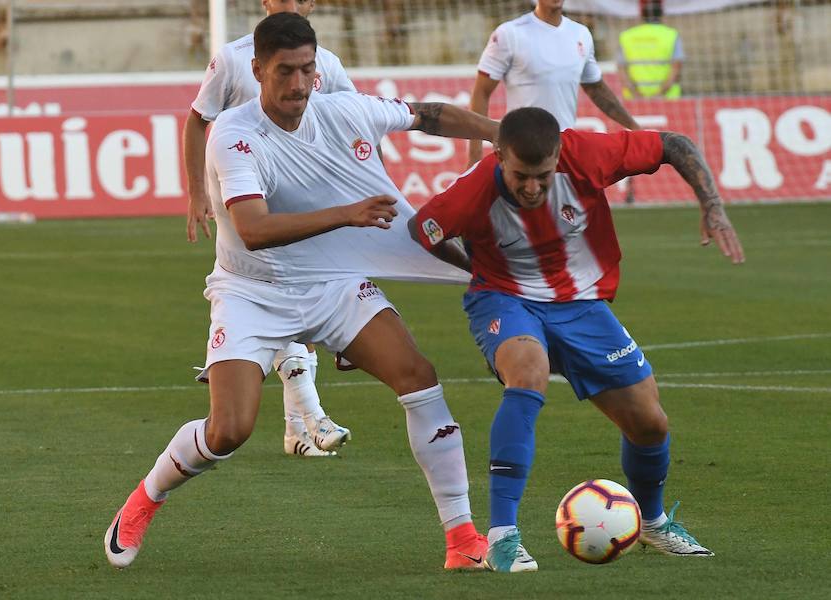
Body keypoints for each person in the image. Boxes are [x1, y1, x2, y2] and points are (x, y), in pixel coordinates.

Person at [105, 12, 501, 571]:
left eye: (307, 70)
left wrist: (499, 133)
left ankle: (462, 541)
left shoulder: (341, 109)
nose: (298, 84)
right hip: (252, 291)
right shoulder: (235, 134)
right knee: (229, 430)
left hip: (333, 283)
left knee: (418, 376)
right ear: (258, 68)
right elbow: (254, 231)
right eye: (285, 71)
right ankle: (147, 497)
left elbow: (429, 115)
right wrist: (349, 214)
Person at [409, 106, 744, 573]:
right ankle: (503, 536)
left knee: (650, 424)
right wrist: (476, 268)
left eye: (542, 176)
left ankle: (651, 521)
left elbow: (674, 144)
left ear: (560, 154)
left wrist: (713, 207)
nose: (531, 187)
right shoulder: (472, 191)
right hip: (505, 300)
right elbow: (422, 230)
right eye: (520, 175)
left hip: (583, 305)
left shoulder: (588, 153)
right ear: (500, 155)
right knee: (528, 371)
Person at [184, 0, 358, 458]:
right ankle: (314, 416)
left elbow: (351, 121)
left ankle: (295, 430)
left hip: (301, 203)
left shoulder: (329, 66)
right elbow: (197, 120)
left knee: (300, 310)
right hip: (247, 204)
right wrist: (198, 192)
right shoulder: (232, 58)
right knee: (275, 299)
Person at [467, 0, 640, 167]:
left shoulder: (581, 34)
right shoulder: (509, 33)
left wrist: (634, 127)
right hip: (521, 149)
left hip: (564, 151)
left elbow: (596, 88)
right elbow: (481, 93)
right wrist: (475, 156)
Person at [618, 0, 684, 100]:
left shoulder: (627, 36)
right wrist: (658, 95)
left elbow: (621, 70)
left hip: (634, 100)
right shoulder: (671, 35)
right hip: (667, 99)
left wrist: (636, 95)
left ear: (642, 16)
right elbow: (676, 69)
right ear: (661, 15)